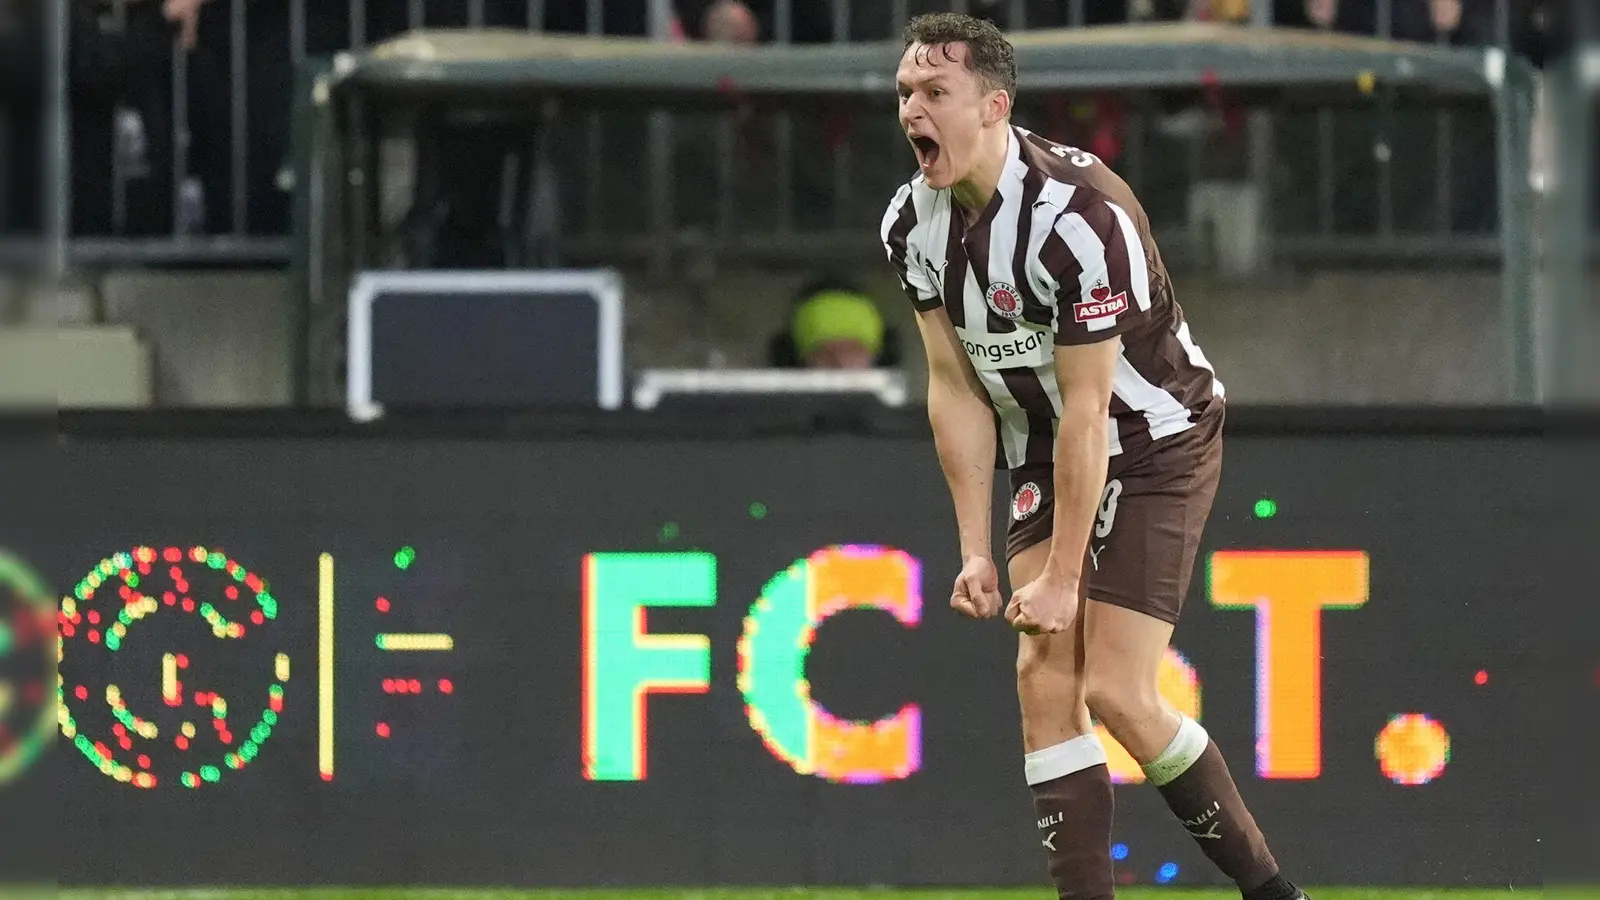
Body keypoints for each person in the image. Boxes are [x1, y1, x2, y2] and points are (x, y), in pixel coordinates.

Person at [879, 14, 1307, 900]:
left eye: (934, 93)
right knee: (1042, 673)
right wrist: (971, 548)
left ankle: (1273, 895)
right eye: (905, 95)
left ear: (994, 106)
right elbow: (955, 390)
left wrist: (1065, 575)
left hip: (1152, 440)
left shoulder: (1078, 217)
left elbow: (1089, 410)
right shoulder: (910, 223)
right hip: (1043, 446)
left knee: (1114, 689)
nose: (912, 110)